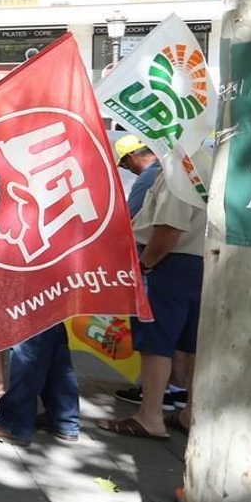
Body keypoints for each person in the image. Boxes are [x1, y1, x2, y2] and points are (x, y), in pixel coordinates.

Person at [96, 169, 205, 442]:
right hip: (202, 263)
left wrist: (146, 264)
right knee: (192, 345)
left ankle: (150, 416)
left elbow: (170, 229)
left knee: (157, 343)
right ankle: (190, 412)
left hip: (170, 263)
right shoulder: (211, 164)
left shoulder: (180, 168)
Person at [110, 136, 187, 410]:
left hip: (163, 263)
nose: (128, 170)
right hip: (192, 265)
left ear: (132, 157)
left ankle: (152, 408)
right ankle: (178, 391)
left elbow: (162, 227)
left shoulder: (160, 176)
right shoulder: (194, 169)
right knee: (184, 339)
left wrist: (145, 264)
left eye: (125, 164)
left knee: (157, 340)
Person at [115, 135, 161, 218]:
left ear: (131, 158)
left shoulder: (146, 178)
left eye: (125, 165)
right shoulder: (170, 167)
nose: (131, 171)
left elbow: (130, 218)